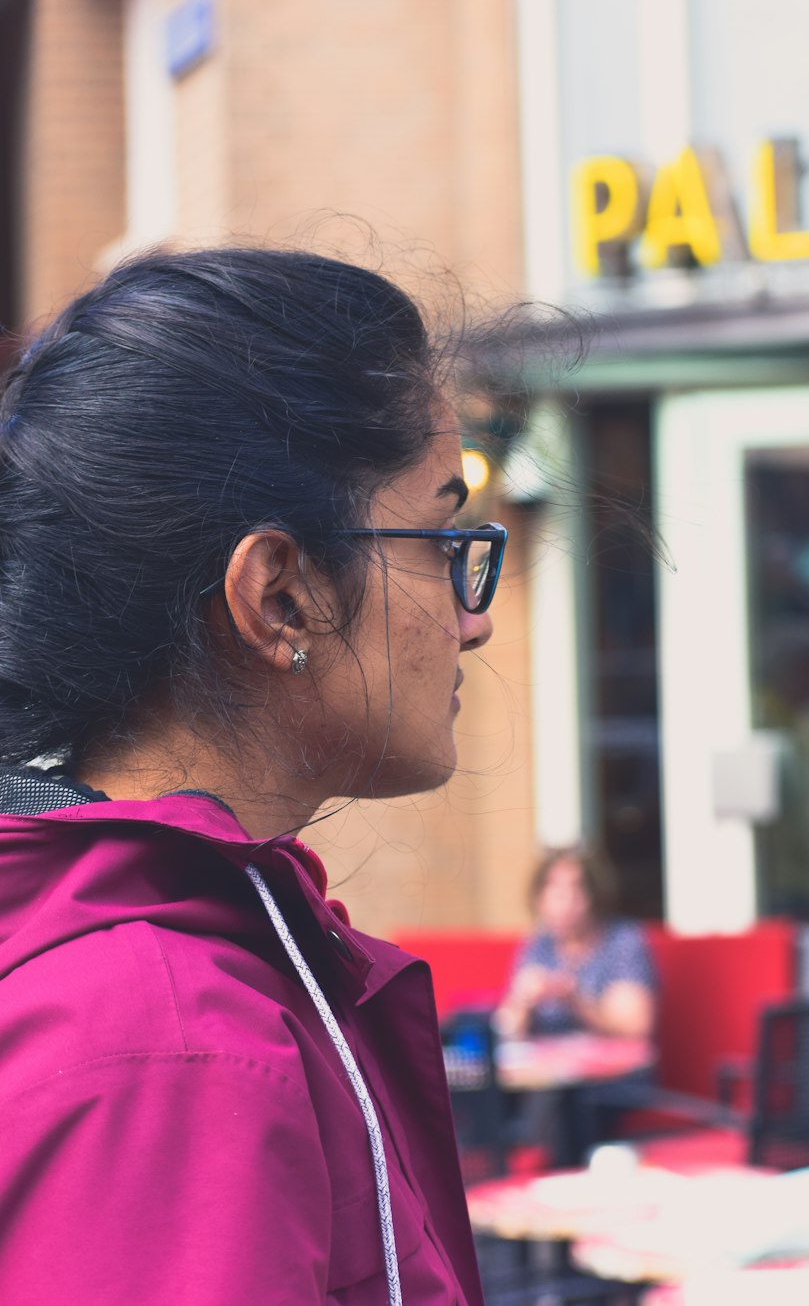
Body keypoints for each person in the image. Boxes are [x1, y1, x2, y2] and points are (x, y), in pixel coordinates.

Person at [0, 247, 509, 1305]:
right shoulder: (167, 1042)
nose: (475, 618)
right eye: (440, 538)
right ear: (279, 597)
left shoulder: (173, 971)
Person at [495, 845, 657, 1040]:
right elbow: (505, 1030)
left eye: (577, 888)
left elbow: (635, 1026)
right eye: (554, 889)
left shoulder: (622, 940)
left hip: (612, 1068)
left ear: (595, 896)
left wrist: (574, 1000)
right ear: (539, 898)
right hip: (547, 1068)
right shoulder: (539, 944)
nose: (566, 901)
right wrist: (521, 1000)